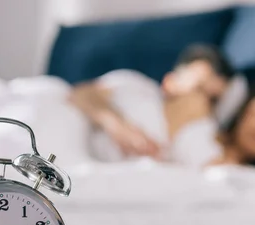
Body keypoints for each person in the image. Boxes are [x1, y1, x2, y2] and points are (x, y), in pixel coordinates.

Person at [69, 44, 235, 160]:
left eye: (213, 99)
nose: (202, 102)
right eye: (198, 88)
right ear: (170, 82)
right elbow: (81, 93)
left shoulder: (201, 139)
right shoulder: (137, 87)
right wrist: (116, 125)